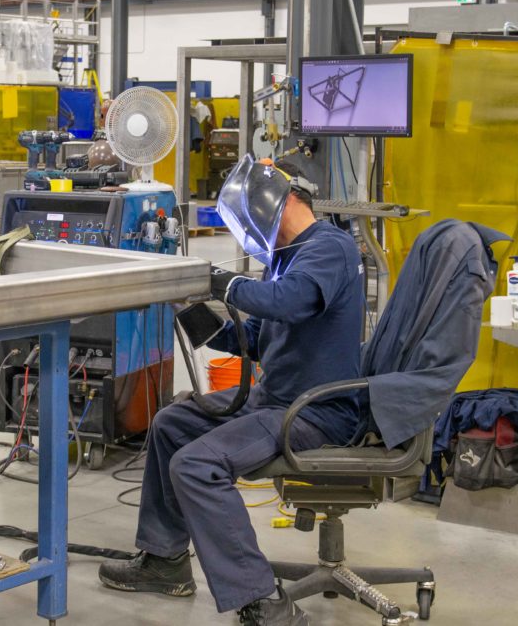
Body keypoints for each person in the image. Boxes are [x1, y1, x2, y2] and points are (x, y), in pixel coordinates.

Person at [99, 157, 367, 626]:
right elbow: (257, 335)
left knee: (197, 464)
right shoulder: (283, 259)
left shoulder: (331, 247)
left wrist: (222, 282)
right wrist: (189, 305)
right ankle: (165, 562)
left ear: (275, 205)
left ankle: (264, 602)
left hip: (316, 412)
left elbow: (291, 302)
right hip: (275, 402)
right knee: (171, 424)